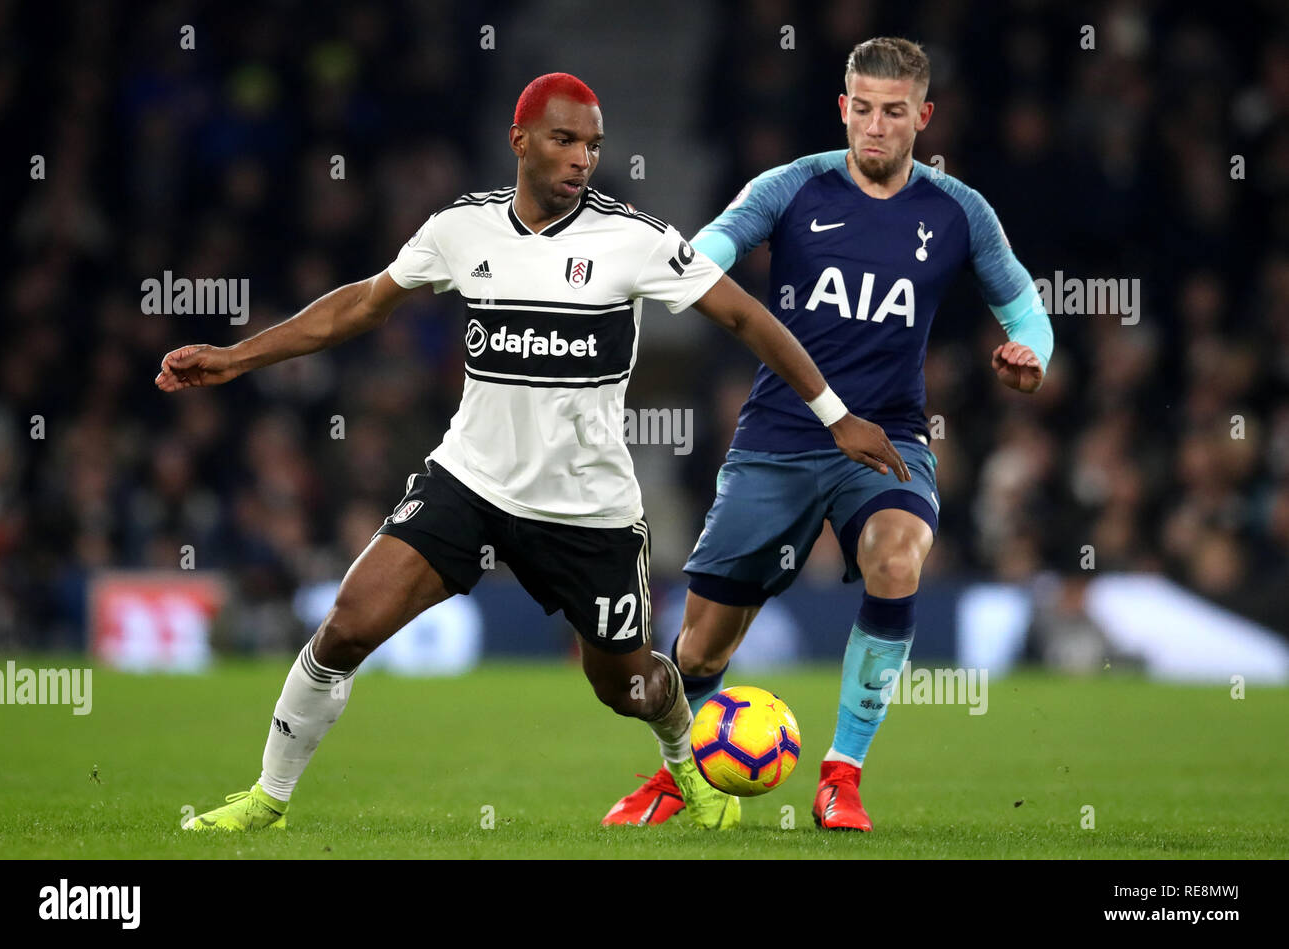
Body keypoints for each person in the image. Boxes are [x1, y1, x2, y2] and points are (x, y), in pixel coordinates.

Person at [156, 72, 907, 832]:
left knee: (626, 683)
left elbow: (748, 319)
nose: (582, 158)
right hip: (470, 480)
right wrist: (236, 357)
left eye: (592, 144)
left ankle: (685, 763)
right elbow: (362, 302)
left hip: (587, 510)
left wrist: (834, 414)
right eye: (565, 139)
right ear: (519, 141)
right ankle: (268, 799)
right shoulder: (462, 228)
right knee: (347, 623)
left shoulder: (634, 240)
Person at [603, 38, 1053, 830]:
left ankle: (841, 774)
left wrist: (1031, 352)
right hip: (778, 438)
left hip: (887, 441)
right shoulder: (791, 186)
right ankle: (678, 776)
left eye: (894, 112)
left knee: (896, 555)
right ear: (844, 107)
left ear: (924, 115)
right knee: (700, 651)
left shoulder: (959, 210)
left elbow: (1023, 306)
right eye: (863, 109)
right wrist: (681, 273)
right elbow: (712, 245)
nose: (875, 127)